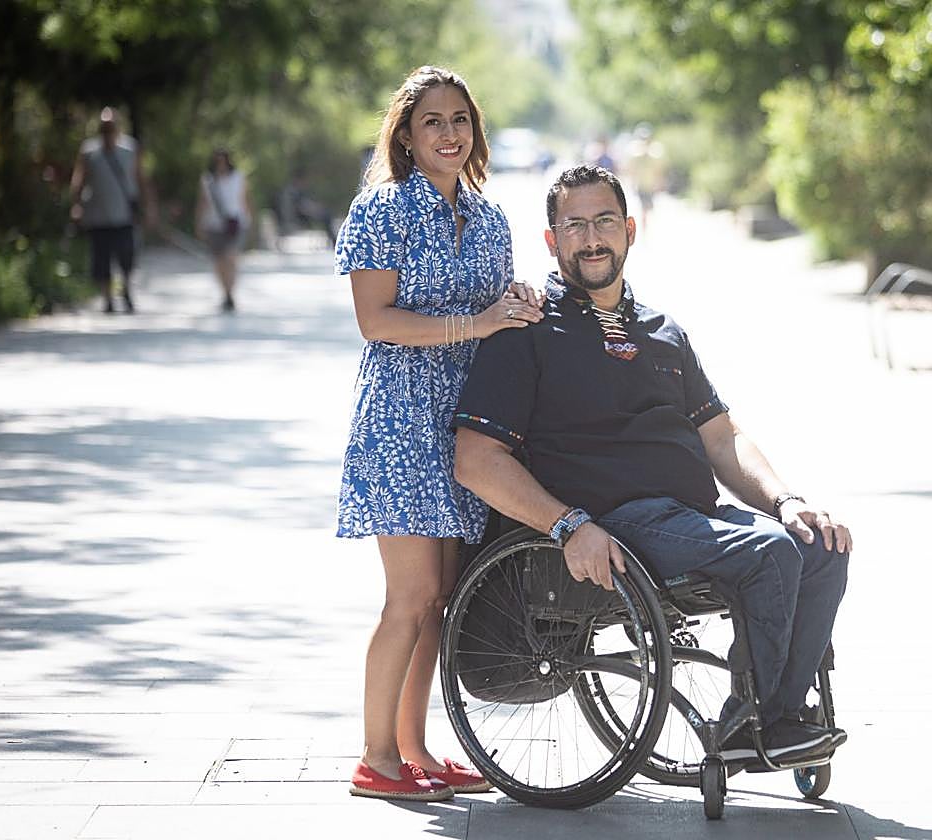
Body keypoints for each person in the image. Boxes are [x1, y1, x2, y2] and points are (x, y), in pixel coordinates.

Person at [453, 165, 852, 768]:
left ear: (630, 230)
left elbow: (721, 438)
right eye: (576, 225)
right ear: (551, 240)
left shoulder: (663, 332)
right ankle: (766, 722)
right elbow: (476, 460)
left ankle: (776, 712)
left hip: (692, 518)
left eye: (605, 221)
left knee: (819, 543)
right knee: (771, 553)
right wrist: (568, 526)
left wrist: (786, 501)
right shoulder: (524, 331)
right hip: (616, 526)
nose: (592, 238)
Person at [332, 65, 544, 802]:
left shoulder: (489, 216)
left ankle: (415, 749)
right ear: (407, 135)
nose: (449, 133)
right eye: (433, 122)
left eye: (460, 120)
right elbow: (375, 321)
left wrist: (518, 302)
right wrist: (477, 322)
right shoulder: (382, 209)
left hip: (466, 421)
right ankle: (375, 760)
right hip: (399, 417)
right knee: (410, 595)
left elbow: (496, 308)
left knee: (444, 595)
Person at [69, 107, 151, 313]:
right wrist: (76, 205)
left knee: (127, 256)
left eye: (111, 127)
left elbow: (141, 178)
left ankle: (126, 288)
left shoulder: (130, 149)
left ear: (118, 128)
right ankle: (107, 299)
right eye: (104, 128)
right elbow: (79, 179)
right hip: (97, 215)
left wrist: (149, 207)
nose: (107, 132)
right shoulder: (89, 151)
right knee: (101, 260)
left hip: (124, 215)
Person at [195, 149, 251, 312]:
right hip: (213, 224)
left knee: (231, 258)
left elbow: (245, 199)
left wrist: (248, 221)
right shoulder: (208, 179)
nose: (220, 164)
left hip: (234, 223)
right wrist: (199, 223)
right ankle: (225, 293)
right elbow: (203, 202)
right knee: (219, 261)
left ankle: (230, 292)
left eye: (223, 160)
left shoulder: (238, 177)